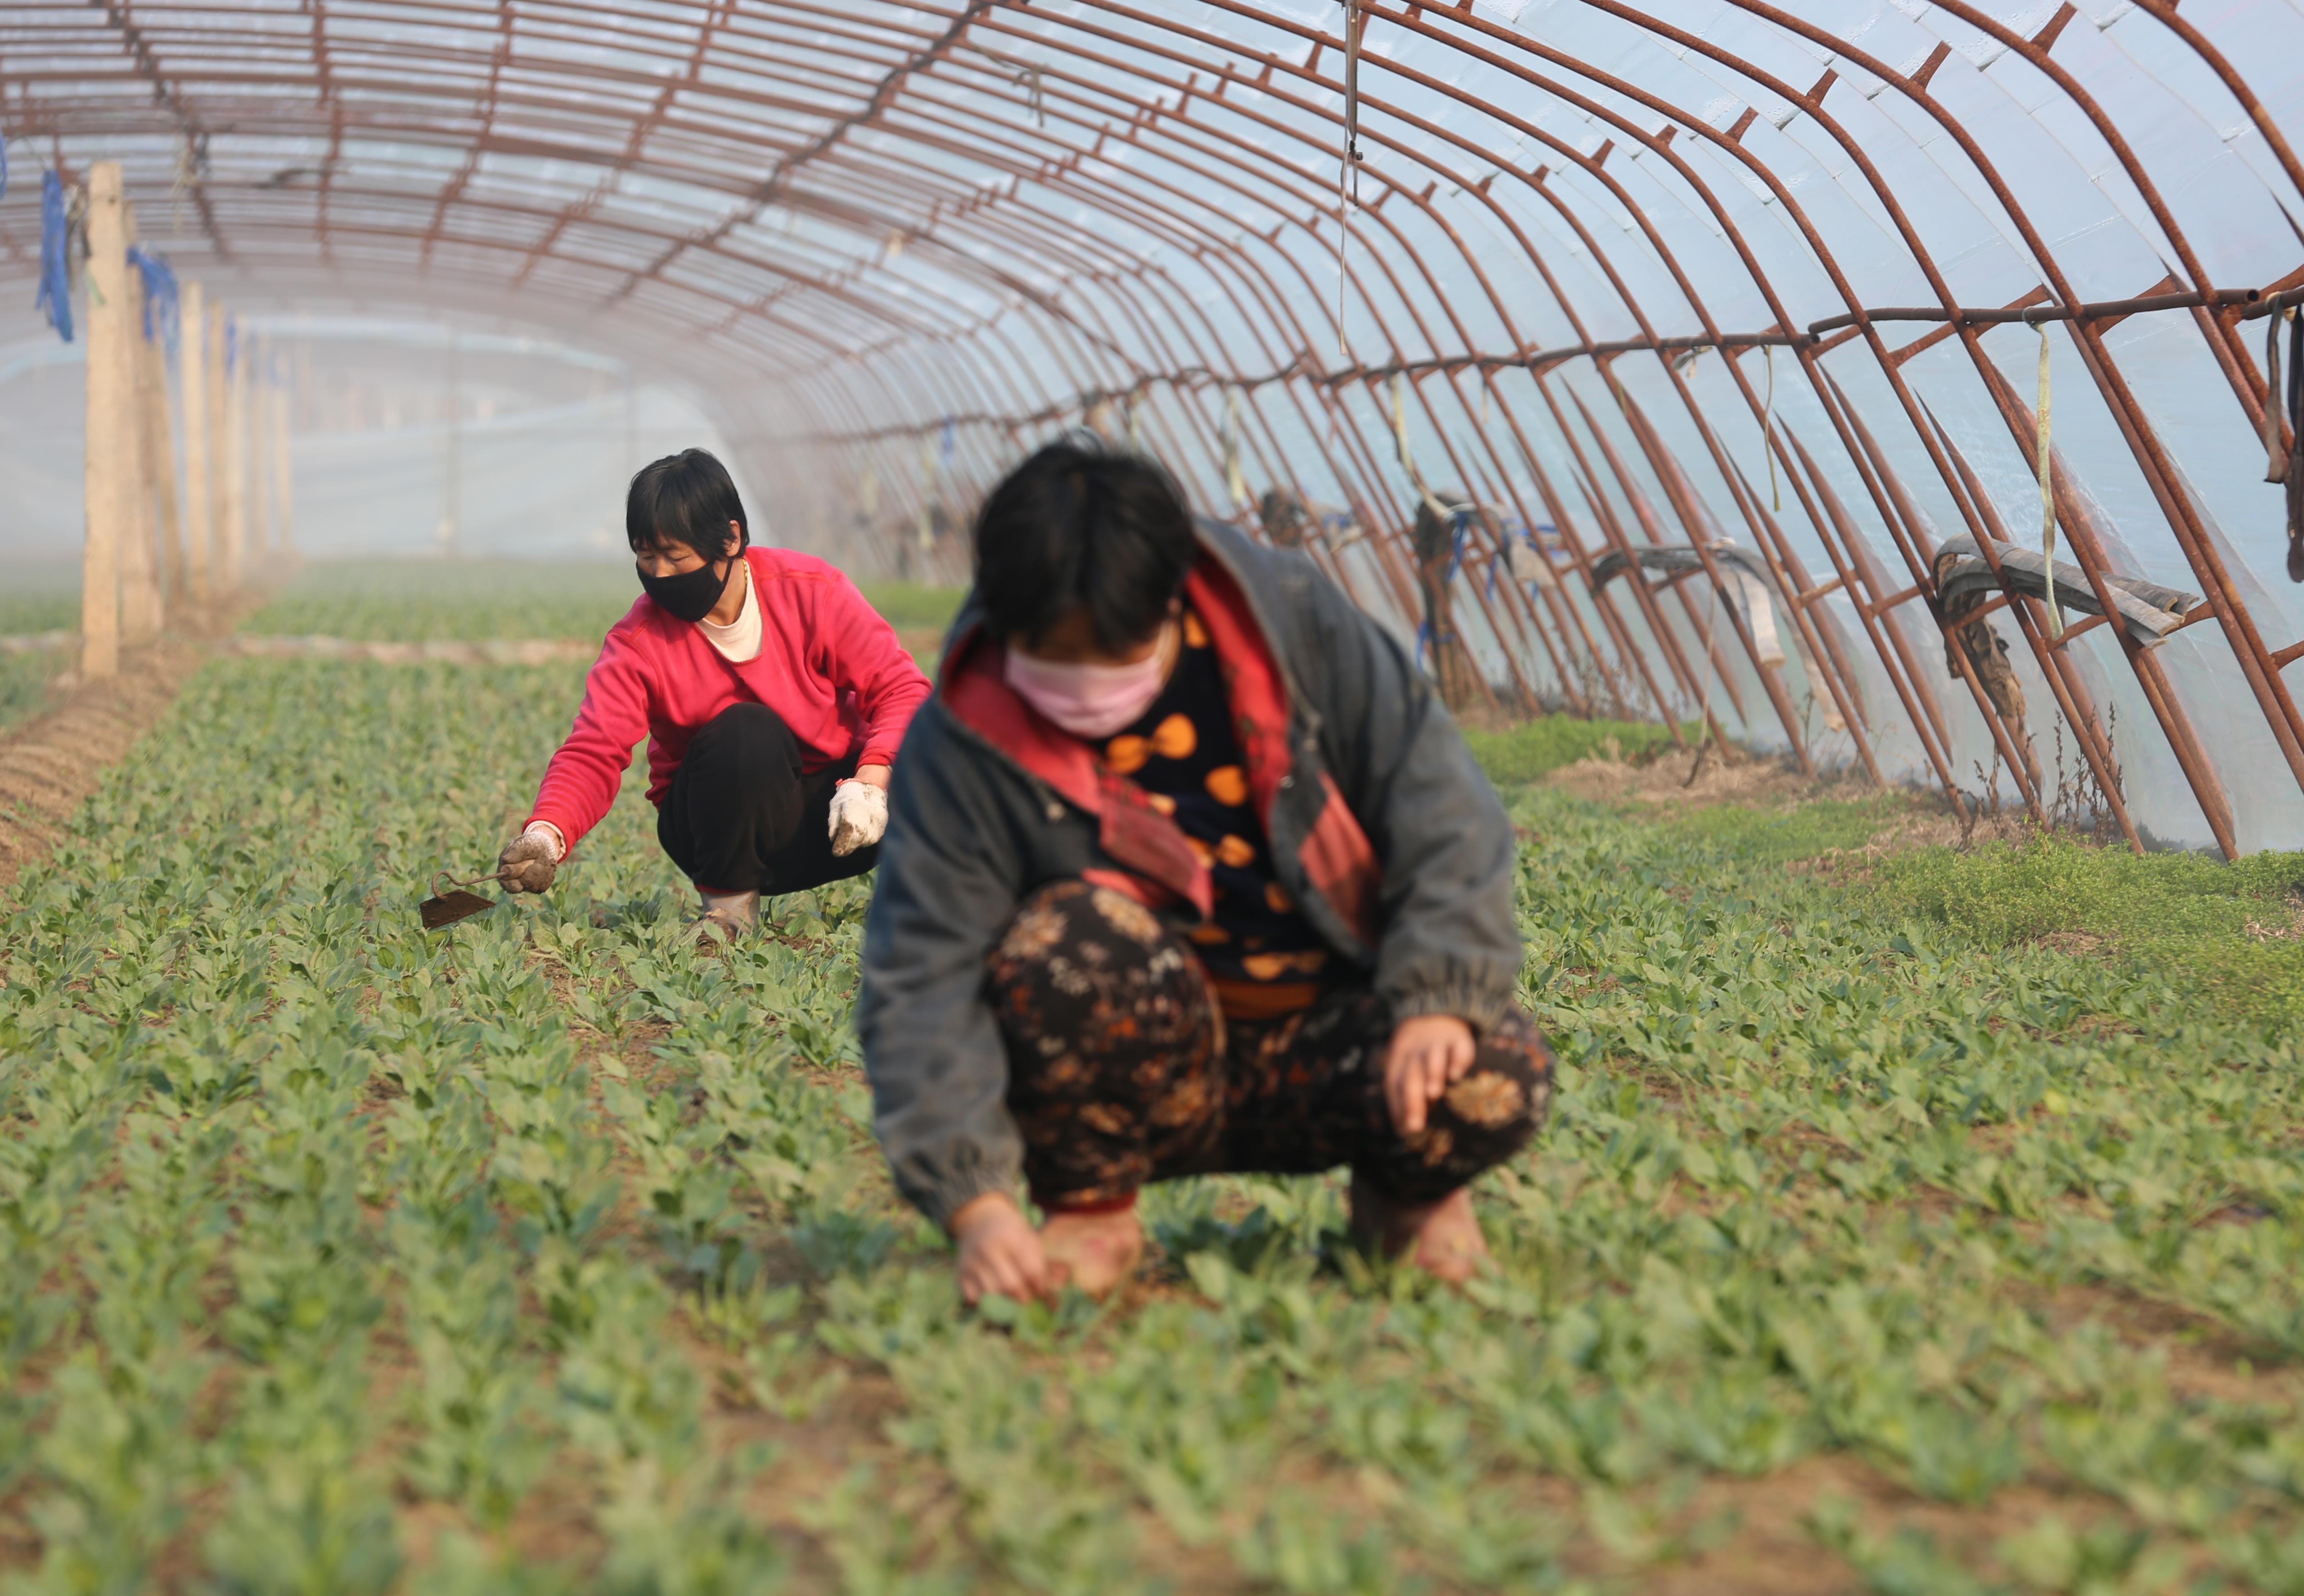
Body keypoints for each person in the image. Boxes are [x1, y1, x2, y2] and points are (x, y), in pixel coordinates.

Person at [859, 439, 1552, 1304]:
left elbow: (1443, 812)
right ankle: (1091, 1209)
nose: (1085, 686)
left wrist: (1442, 995)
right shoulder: (967, 733)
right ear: (1000, 617)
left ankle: (1409, 1199)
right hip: (1140, 1068)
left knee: (1494, 1061)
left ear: (1175, 597)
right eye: (1053, 657)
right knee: (1069, 941)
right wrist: (978, 1206)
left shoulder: (1295, 625)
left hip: (1329, 1039)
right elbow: (920, 975)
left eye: (1115, 652)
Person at [497, 449, 931, 936]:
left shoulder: (811, 592)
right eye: (646, 555)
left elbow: (901, 688)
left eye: (675, 555)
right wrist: (546, 833)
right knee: (748, 729)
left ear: (731, 538)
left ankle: (943, 902)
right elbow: (595, 750)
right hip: (714, 829)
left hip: (840, 816)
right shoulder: (638, 643)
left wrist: (870, 784)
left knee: (953, 744)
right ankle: (728, 912)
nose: (659, 574)